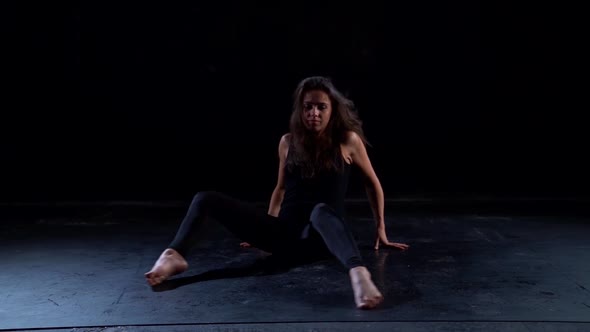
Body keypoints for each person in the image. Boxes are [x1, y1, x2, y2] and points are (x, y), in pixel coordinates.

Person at [145, 76, 409, 309]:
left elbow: (372, 183)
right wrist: (263, 230)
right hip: (285, 237)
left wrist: (381, 228)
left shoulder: (347, 141)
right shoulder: (287, 142)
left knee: (319, 211)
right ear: (300, 110)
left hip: (322, 237)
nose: (314, 113)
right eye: (308, 107)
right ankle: (175, 254)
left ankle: (358, 273)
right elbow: (281, 188)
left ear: (332, 111)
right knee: (204, 198)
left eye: (321, 107)